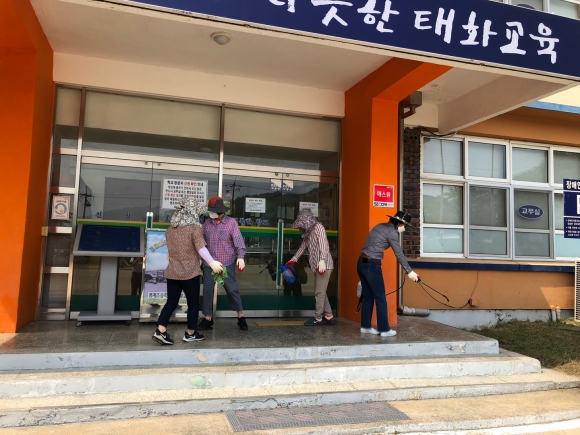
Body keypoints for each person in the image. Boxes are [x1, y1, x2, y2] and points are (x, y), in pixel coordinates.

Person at [152, 198, 224, 345]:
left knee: (171, 302)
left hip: (173, 271)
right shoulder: (194, 229)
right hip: (190, 273)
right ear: (192, 212)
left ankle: (160, 330)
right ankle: (190, 333)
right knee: (193, 304)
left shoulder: (170, 230)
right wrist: (212, 263)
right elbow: (201, 248)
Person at [358, 211, 420, 337]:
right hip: (372, 265)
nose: (405, 229)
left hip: (361, 263)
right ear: (399, 223)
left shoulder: (380, 226)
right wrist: (410, 271)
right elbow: (399, 254)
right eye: (405, 226)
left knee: (368, 296)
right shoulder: (392, 232)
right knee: (380, 297)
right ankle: (384, 329)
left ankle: (365, 326)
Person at [197, 196, 249, 331]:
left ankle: (241, 316)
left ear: (221, 212)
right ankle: (207, 318)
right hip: (209, 264)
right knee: (208, 290)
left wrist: (241, 257)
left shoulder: (231, 223)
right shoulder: (207, 224)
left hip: (227, 262)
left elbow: (239, 242)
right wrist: (200, 259)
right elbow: (201, 243)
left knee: (232, 289)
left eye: (213, 211)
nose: (211, 214)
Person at [286, 209, 334, 326]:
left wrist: (322, 260)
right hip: (317, 265)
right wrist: (293, 259)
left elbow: (324, 245)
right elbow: (303, 247)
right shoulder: (308, 232)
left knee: (319, 292)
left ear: (306, 220)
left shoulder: (318, 227)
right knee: (321, 291)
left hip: (324, 265)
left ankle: (318, 318)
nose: (300, 226)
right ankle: (328, 315)